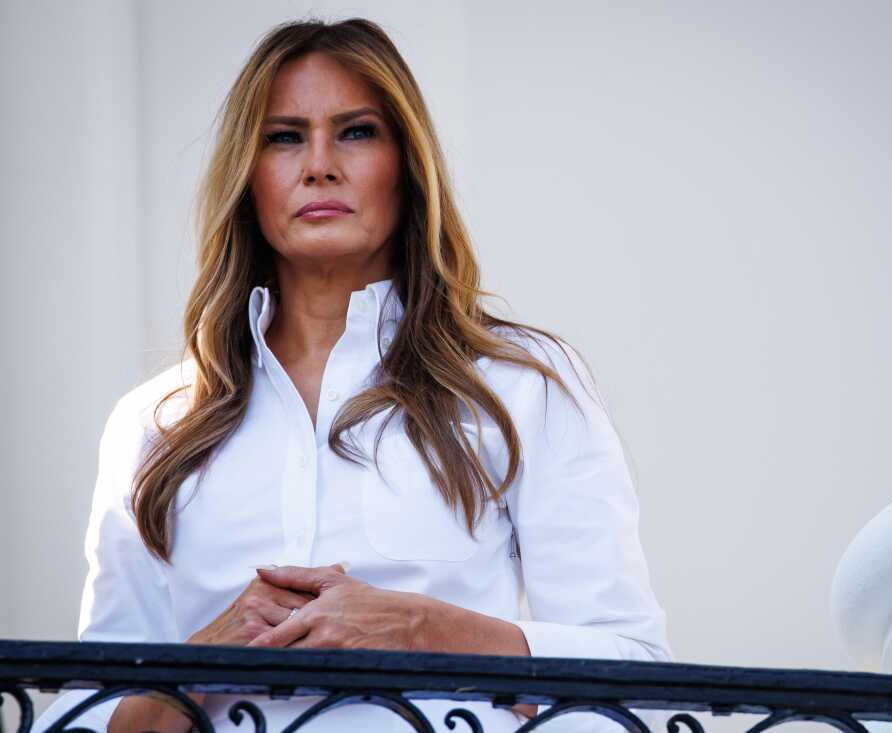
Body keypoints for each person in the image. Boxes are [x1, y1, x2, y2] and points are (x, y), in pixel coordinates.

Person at [32, 16, 670, 733]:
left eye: (356, 131)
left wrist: (421, 628)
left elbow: (633, 676)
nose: (319, 165)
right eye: (284, 136)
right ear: (248, 173)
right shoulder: (154, 424)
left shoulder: (523, 385)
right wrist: (207, 655)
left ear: (407, 162)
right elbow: (86, 714)